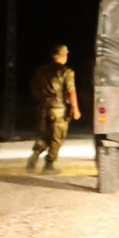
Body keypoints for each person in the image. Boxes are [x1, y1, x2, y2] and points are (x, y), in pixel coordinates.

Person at [26, 43, 80, 174]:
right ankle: (49, 164)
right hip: (58, 108)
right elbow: (71, 91)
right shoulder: (66, 72)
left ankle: (35, 156)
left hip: (42, 107)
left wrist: (40, 100)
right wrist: (75, 108)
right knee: (57, 136)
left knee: (43, 134)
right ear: (64, 55)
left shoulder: (41, 70)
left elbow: (33, 86)